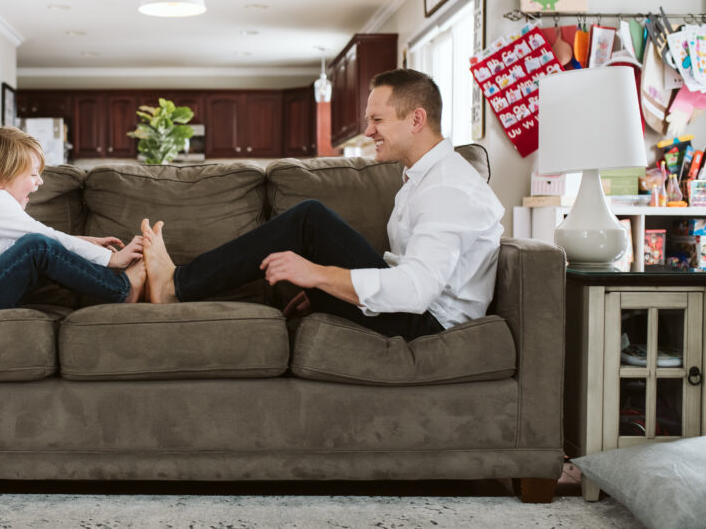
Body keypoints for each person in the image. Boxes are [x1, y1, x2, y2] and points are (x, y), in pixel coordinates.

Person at [141, 69, 504, 340]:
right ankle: (179, 284)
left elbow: (416, 291)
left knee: (309, 220)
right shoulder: (421, 178)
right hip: (413, 312)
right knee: (309, 221)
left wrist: (317, 275)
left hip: (429, 326)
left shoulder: (449, 189)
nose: (368, 131)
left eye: (378, 120)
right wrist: (326, 294)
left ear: (417, 119)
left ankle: (176, 285)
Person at [0, 125, 146, 315]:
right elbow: (44, 239)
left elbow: (20, 243)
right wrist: (111, 259)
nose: (39, 181)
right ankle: (120, 290)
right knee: (37, 247)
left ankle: (107, 291)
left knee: (37, 246)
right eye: (32, 174)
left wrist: (83, 242)